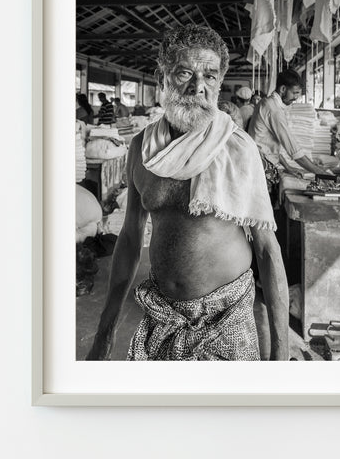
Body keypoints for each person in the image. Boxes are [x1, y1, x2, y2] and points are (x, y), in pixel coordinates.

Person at [87, 24, 289, 361]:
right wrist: (104, 334)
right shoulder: (143, 149)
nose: (198, 87)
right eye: (184, 73)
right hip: (161, 315)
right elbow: (130, 239)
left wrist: (281, 357)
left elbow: (268, 251)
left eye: (210, 76)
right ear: (161, 77)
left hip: (228, 318)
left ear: (219, 83)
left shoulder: (238, 149)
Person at [248, 69, 330, 188]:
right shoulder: (274, 109)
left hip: (260, 161)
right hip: (261, 167)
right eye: (294, 93)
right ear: (282, 89)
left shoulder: (267, 103)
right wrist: (320, 172)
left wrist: (288, 167)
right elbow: (293, 150)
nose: (296, 97)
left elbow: (268, 146)